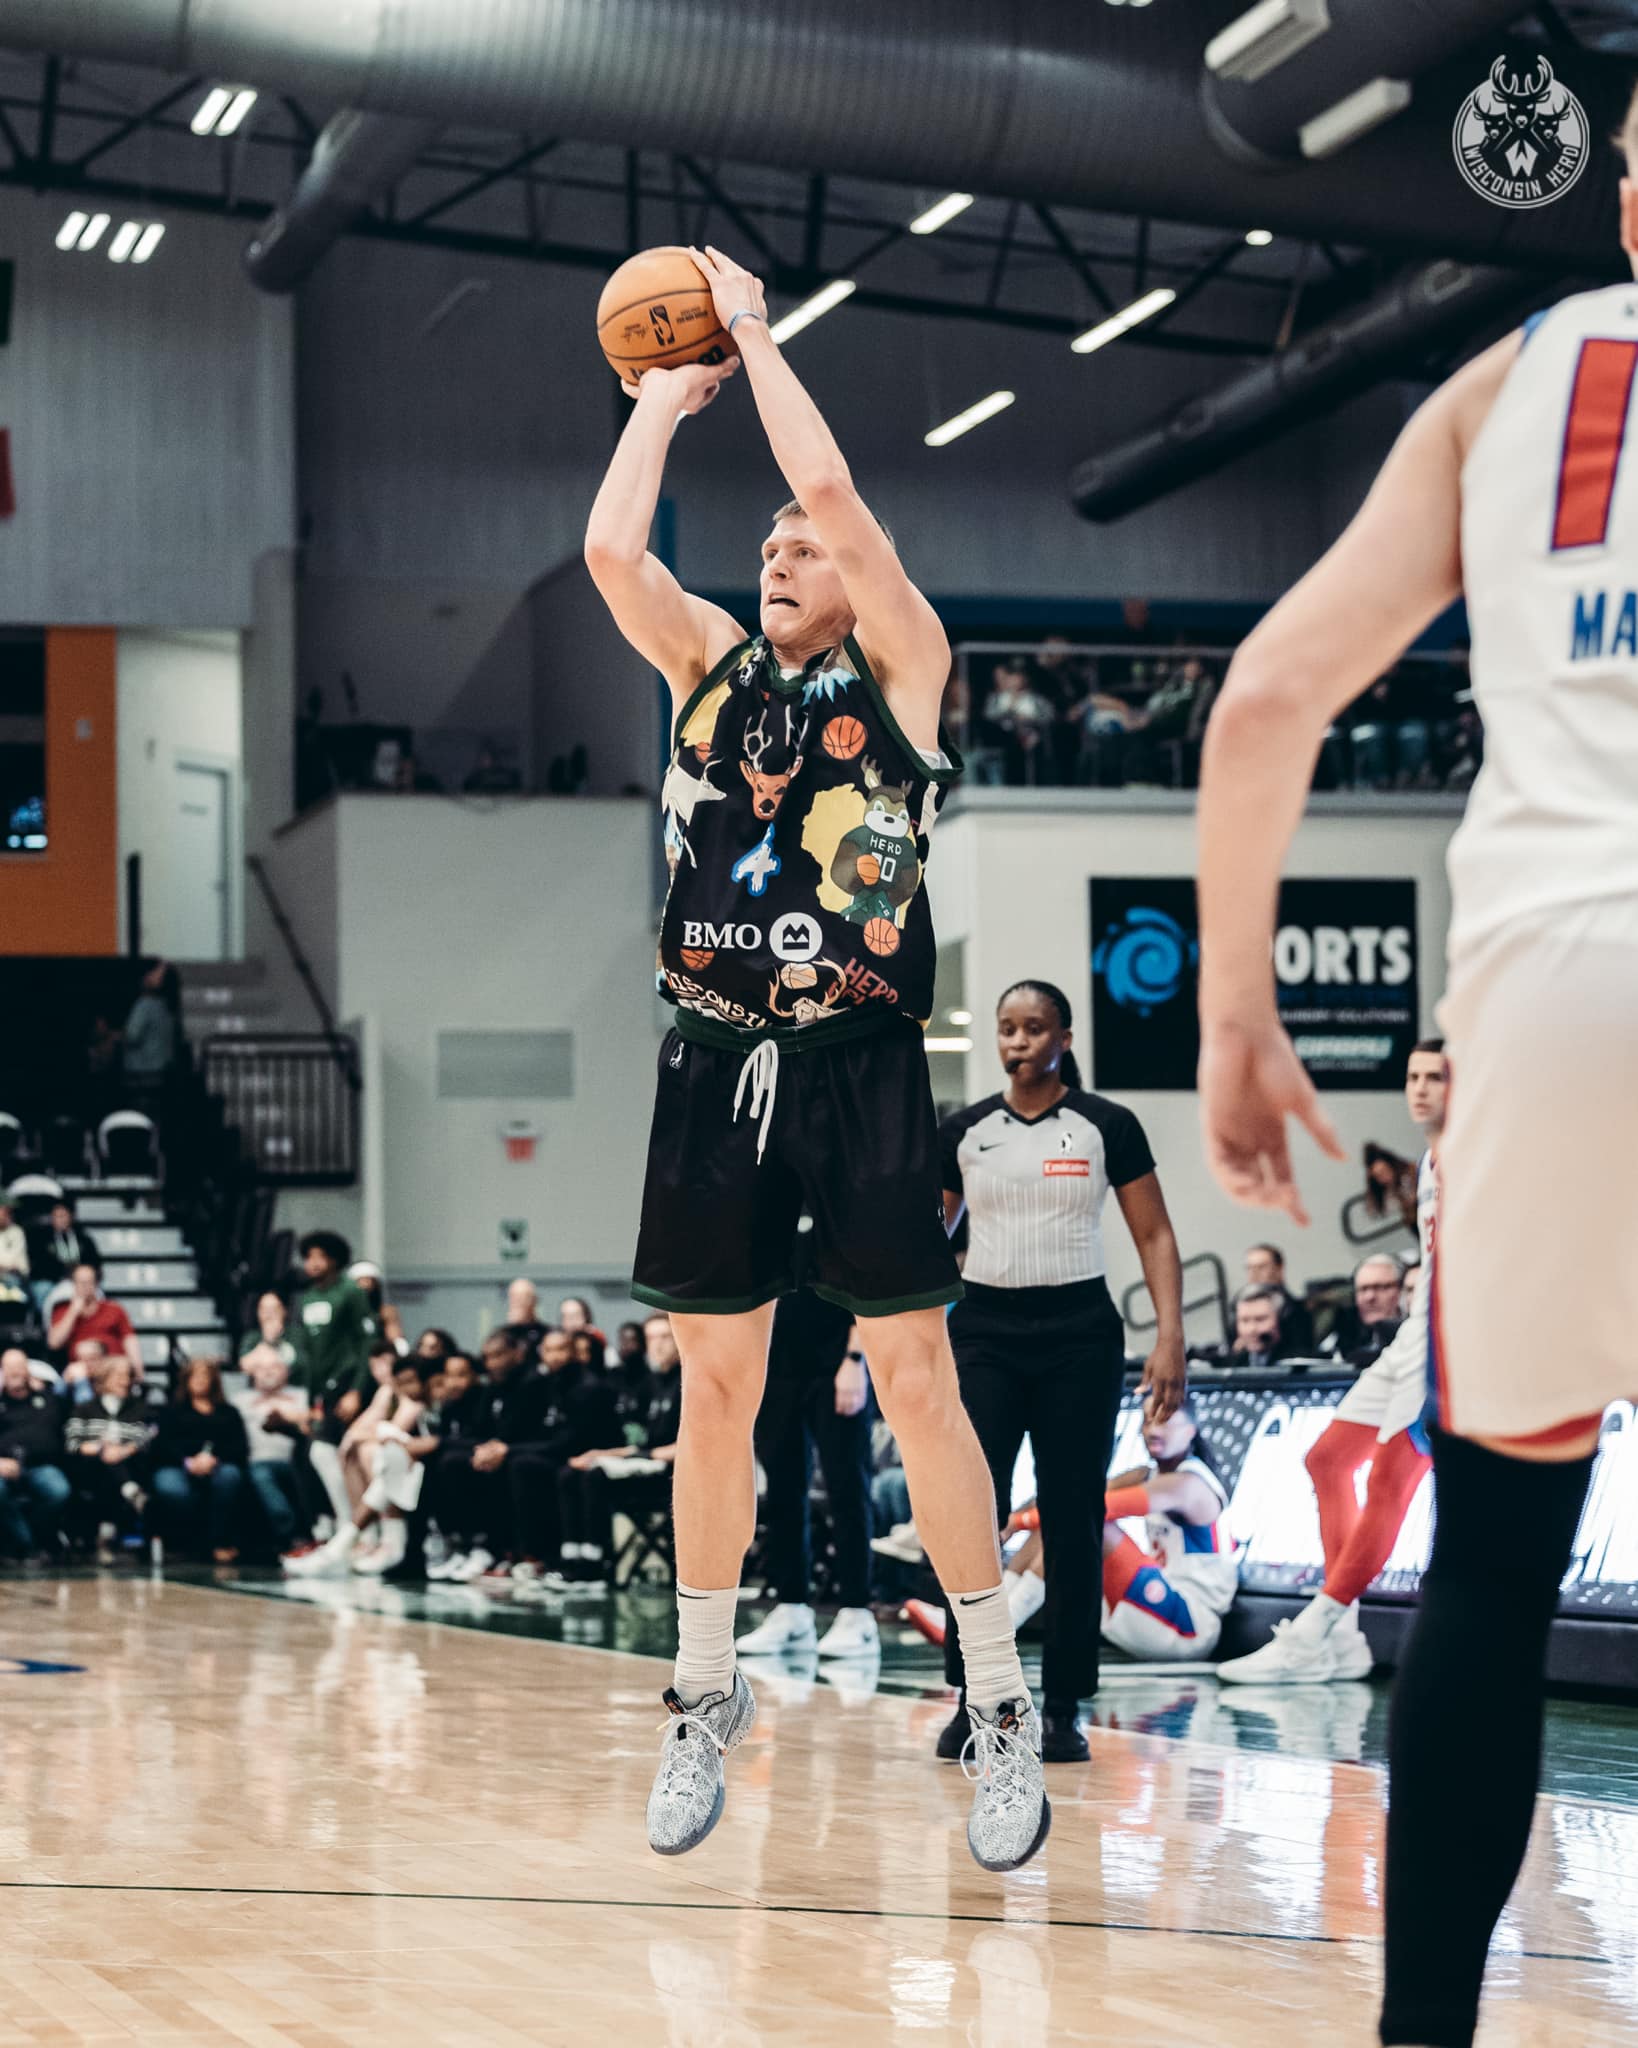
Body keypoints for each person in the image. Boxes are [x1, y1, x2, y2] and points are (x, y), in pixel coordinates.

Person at [1194, 100, 1638, 2048]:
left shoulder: (1503, 382)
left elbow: (1270, 695)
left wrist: (1233, 1011)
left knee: (1500, 1568)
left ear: (1626, 202)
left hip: (1547, 984)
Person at [585, 242, 1046, 1870]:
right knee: (713, 1389)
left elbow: (835, 490)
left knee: (914, 1380)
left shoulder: (904, 671)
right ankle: (703, 1690)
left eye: (801, 547)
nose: (781, 551)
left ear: (854, 574)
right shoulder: (704, 665)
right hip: (712, 1062)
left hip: (858, 1063)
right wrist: (659, 399)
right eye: (766, 543)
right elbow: (609, 547)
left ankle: (998, 1698)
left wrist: (756, 340)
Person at [934, 978, 1186, 1762]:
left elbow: (1154, 1235)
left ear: (1064, 1039)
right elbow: (926, 1242)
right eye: (1007, 1028)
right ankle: (973, 1695)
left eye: (1034, 1028)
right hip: (984, 1333)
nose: (1018, 1041)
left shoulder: (1107, 1125)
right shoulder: (964, 1131)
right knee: (973, 1513)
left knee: (1074, 1517)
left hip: (1080, 1333)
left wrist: (1171, 1335)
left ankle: (1063, 1706)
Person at [1219, 1040, 1448, 1687]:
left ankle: (1316, 1631)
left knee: (1392, 1481)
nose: (1421, 1088)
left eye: (1436, 1077)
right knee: (1327, 1459)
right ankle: (1342, 1637)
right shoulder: (1429, 1159)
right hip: (1414, 1332)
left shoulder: (1479, 1154)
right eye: (1414, 1076)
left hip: (1449, 1339)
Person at [1004, 1397, 1238, 1661]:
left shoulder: (1189, 1484)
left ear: (1190, 1431)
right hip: (1159, 1605)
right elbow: (1070, 1495)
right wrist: (1012, 1518)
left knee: (1086, 1522)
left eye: (1164, 1421)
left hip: (1192, 1624)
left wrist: (1016, 1523)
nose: (1152, 1430)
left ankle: (1001, 1632)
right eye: (1147, 1421)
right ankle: (994, 1621)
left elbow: (1086, 1509)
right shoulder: (1147, 1474)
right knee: (1060, 1521)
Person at [736, 1227, 878, 1660]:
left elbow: (869, 1280)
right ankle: (791, 1608)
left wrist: (856, 1358)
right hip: (777, 1366)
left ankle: (857, 1612)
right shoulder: (766, 1204)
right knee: (782, 1490)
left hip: (837, 1361)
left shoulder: (840, 1201)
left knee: (846, 1486)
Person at [551, 1313, 685, 1593]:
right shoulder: (653, 1383)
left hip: (673, 1476)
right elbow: (643, 1444)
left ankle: (595, 1563)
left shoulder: (686, 1382)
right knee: (572, 1472)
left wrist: (644, 1457)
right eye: (651, 1338)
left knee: (595, 1477)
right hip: (647, 1463)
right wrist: (602, 1453)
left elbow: (690, 1446)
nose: (658, 1345)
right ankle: (572, 1557)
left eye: (665, 1337)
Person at [286, 1354, 434, 1578]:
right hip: (408, 1467)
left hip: (419, 1470)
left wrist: (368, 1434)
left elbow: (393, 1433)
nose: (407, 1388)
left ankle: (384, 1543)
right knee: (357, 1451)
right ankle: (364, 1540)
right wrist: (354, 1439)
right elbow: (363, 1428)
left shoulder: (417, 1403)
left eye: (412, 1381)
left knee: (385, 1457)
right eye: (402, 1382)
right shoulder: (391, 1393)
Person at [505, 1329, 620, 1590]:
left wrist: (511, 1450)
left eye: (561, 1349)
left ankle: (580, 1560)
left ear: (574, 1352)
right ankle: (524, 1554)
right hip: (562, 1456)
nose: (555, 1356)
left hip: (588, 1456)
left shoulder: (587, 1387)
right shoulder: (545, 1384)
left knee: (532, 1467)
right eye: (548, 1350)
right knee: (517, 1466)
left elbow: (570, 1441)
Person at [288, 1232, 378, 1531]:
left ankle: (353, 1525)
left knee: (335, 1453)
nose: (313, 1263)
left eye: (321, 1257)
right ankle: (334, 1522)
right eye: (309, 1257)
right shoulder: (307, 1298)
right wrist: (309, 1402)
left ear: (335, 1260)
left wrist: (356, 1390)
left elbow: (367, 1343)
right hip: (322, 1391)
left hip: (348, 1384)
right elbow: (307, 1355)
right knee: (313, 1456)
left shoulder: (351, 1292)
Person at [152, 1359, 249, 1563]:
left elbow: (239, 1446)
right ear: (186, 1380)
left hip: (218, 1463)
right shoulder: (172, 1411)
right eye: (195, 1376)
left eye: (205, 1376)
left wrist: (214, 1459)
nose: (200, 1381)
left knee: (229, 1477)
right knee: (173, 1489)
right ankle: (189, 1544)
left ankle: (219, 1542)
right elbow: (162, 1445)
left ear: (214, 1381)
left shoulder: (229, 1412)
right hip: (177, 1464)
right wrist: (188, 1462)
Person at [63, 1355, 153, 1559]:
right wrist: (99, 1448)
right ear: (104, 1379)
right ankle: (130, 1493)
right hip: (90, 1466)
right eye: (118, 1376)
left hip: (130, 1464)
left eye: (127, 1376)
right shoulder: (84, 1408)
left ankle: (105, 1534)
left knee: (113, 1464)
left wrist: (123, 1451)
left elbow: (145, 1438)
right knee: (104, 1464)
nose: (124, 1381)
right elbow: (71, 1442)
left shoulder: (139, 1407)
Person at [232, 1347, 313, 1558]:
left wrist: (288, 1417)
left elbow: (313, 1424)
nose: (268, 1372)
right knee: (261, 1475)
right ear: (253, 1373)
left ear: (286, 1371)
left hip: (298, 1460)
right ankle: (290, 1533)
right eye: (261, 1368)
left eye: (274, 1366)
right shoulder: (240, 1399)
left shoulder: (302, 1395)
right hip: (257, 1461)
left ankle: (314, 1531)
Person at [0, 1346, 70, 1559]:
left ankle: (37, 1534)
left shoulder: (49, 1400)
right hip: (2, 1467)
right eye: (9, 1367)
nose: (15, 1371)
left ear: (28, 1370)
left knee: (58, 1490)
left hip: (40, 1466)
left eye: (20, 1366)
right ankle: (26, 1542)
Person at [48, 1263, 143, 1378]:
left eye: (89, 1282)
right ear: (73, 1284)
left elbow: (130, 1340)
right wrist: (73, 1312)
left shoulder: (114, 1309)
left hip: (112, 1368)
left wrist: (137, 1369)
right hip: (82, 1371)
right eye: (81, 1282)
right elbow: (54, 1343)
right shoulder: (63, 1310)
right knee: (75, 1373)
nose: (85, 1286)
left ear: (96, 1284)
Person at [1319, 1254, 1405, 1369]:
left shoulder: (1415, 1336)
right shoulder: (1343, 1336)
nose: (1369, 1297)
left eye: (1380, 1287)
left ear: (1402, 1290)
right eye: (1363, 1289)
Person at [1189, 1285, 1295, 1373]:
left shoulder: (1297, 1365)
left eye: (1260, 1319)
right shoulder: (1232, 1363)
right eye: (1245, 1320)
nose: (1251, 1329)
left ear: (1280, 1320)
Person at [120, 958, 180, 1103]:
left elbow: (132, 1036)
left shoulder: (144, 1005)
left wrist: (114, 1036)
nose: (148, 976)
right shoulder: (168, 1006)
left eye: (153, 974)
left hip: (141, 1073)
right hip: (162, 1072)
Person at [1242, 1243, 1316, 1353]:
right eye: (1249, 1268)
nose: (1254, 1274)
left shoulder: (1298, 1312)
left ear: (1279, 1269)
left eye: (1261, 1267)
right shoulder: (1239, 1308)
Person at [502, 1278, 550, 1360]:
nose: (518, 1302)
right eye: (514, 1297)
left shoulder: (547, 1333)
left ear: (534, 1300)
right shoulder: (501, 1335)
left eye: (523, 1297)